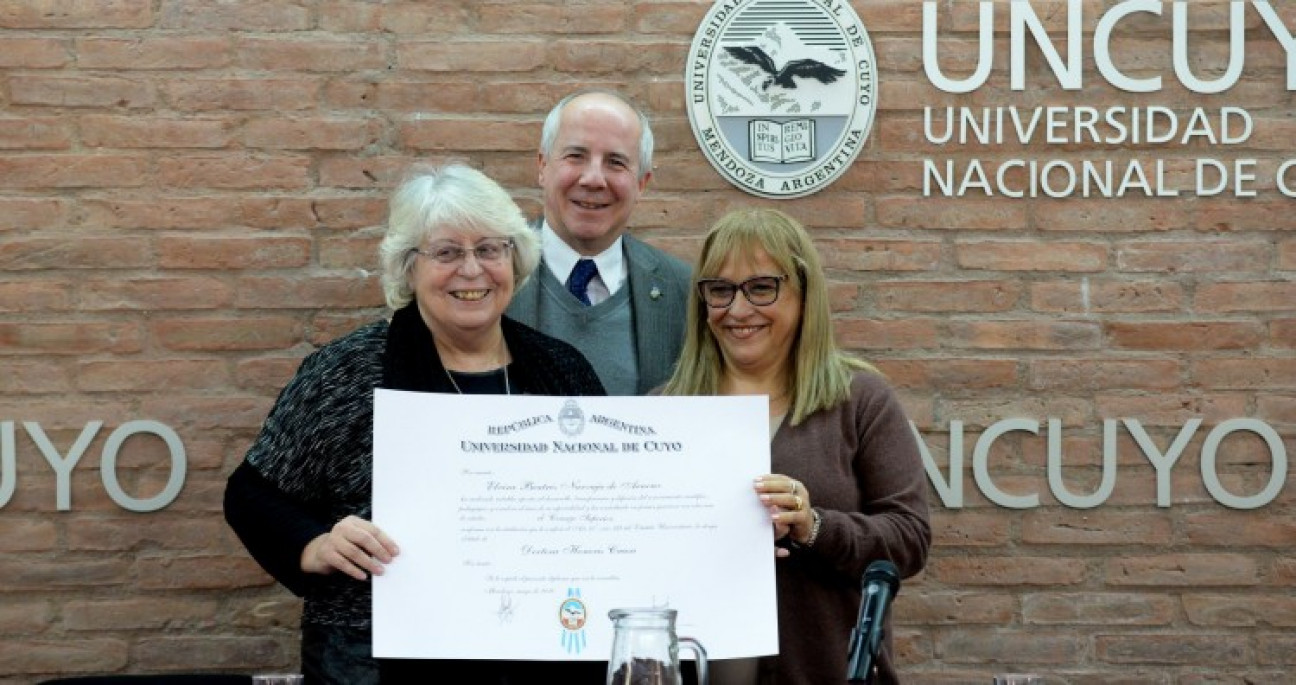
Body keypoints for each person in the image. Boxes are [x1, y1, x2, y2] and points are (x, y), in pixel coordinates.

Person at [223, 163, 607, 685]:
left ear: (515, 261)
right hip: (374, 658)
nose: (471, 270)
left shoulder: (563, 371)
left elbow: (603, 507)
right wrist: (314, 544)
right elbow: (250, 495)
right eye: (446, 252)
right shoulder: (349, 372)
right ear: (408, 268)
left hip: (537, 652)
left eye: (490, 249)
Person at [659, 208, 932, 684]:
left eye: (761, 287)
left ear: (804, 295)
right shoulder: (662, 412)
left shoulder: (860, 400)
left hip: (826, 672)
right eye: (720, 290)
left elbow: (908, 539)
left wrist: (813, 527)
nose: (739, 310)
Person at [505, 88, 693, 395]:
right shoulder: (488, 275)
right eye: (576, 156)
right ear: (542, 166)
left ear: (641, 183)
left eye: (616, 162)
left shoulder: (682, 290)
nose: (593, 179)